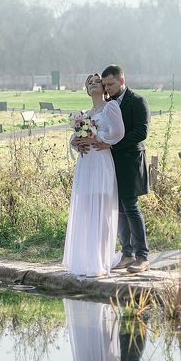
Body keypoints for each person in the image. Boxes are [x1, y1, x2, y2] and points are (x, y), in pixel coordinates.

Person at [78, 65, 151, 274]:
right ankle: (127, 254)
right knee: (118, 209)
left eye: (110, 84)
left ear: (122, 80)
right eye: (105, 84)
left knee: (131, 207)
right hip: (109, 164)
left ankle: (142, 257)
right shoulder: (107, 104)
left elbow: (141, 132)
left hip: (130, 162)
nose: (107, 88)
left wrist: (112, 144)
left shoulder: (137, 101)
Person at [63, 73, 125, 276]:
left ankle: (102, 260)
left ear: (104, 87)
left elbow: (118, 132)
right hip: (86, 164)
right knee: (88, 210)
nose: (92, 84)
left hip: (100, 161)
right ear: (87, 90)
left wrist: (96, 139)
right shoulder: (84, 114)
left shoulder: (111, 107)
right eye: (89, 83)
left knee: (103, 211)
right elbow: (75, 135)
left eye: (96, 81)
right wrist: (76, 142)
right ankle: (87, 259)